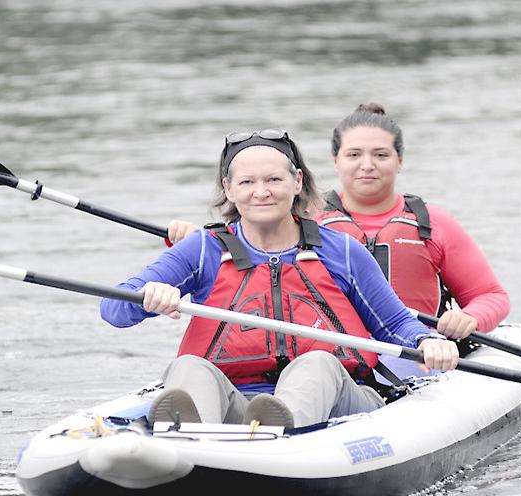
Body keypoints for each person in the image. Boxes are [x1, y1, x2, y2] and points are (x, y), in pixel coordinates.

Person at [101, 129, 458, 429]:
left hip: (339, 407)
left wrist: (428, 341)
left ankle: (279, 435)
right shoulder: (202, 250)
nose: (262, 191)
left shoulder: (342, 251)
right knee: (188, 367)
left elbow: (394, 324)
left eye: (274, 179)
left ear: (297, 181)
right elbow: (114, 309)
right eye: (247, 182)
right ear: (229, 188)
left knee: (316, 363)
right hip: (243, 407)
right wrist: (150, 295)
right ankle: (191, 444)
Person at [166, 105, 510, 346]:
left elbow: (490, 296)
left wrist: (472, 319)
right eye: (354, 155)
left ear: (400, 161)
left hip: (410, 344)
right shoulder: (303, 221)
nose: (367, 166)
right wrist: (189, 240)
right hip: (331, 348)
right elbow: (244, 246)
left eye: (381, 155)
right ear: (335, 161)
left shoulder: (432, 223)